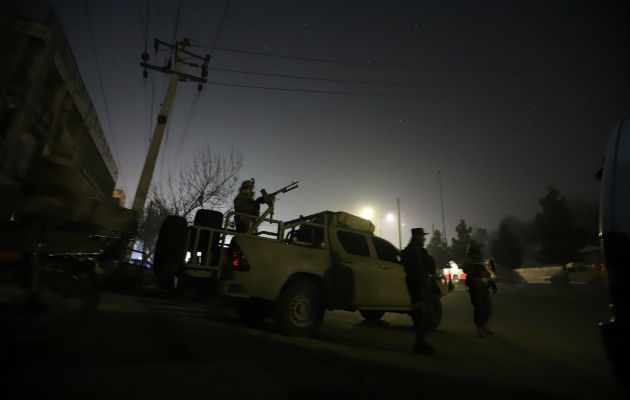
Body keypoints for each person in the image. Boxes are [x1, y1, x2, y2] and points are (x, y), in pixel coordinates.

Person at [401, 227, 437, 355]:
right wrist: (422, 286)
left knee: (422, 315)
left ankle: (420, 342)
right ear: (417, 237)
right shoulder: (415, 251)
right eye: (422, 236)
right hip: (418, 285)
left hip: (418, 284)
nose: (424, 238)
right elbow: (419, 269)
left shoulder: (415, 250)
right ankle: (420, 343)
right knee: (421, 315)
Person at [462, 243, 498, 338]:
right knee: (479, 307)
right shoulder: (468, 259)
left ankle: (484, 326)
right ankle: (480, 329)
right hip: (474, 285)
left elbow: (487, 272)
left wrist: (492, 284)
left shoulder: (479, 258)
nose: (480, 250)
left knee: (487, 307)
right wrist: (475, 268)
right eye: (478, 248)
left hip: (483, 285)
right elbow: (466, 269)